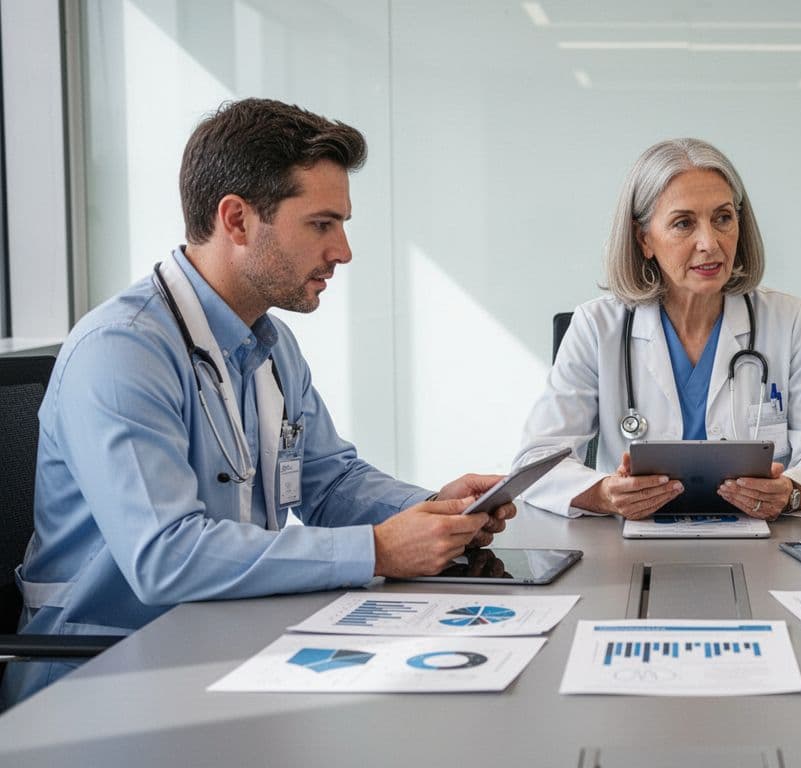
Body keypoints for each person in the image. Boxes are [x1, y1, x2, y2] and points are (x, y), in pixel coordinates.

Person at [1, 98, 515, 705]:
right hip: (104, 681)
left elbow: (329, 483)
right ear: (237, 220)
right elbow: (166, 557)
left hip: (226, 650)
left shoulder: (269, 345)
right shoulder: (123, 351)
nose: (343, 251)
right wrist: (376, 548)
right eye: (322, 224)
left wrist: (434, 510)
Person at [513, 138, 801, 520]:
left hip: (765, 545)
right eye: (683, 223)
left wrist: (790, 493)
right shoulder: (597, 327)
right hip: (629, 550)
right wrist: (604, 494)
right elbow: (536, 461)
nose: (709, 243)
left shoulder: (789, 320)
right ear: (644, 238)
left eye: (723, 218)